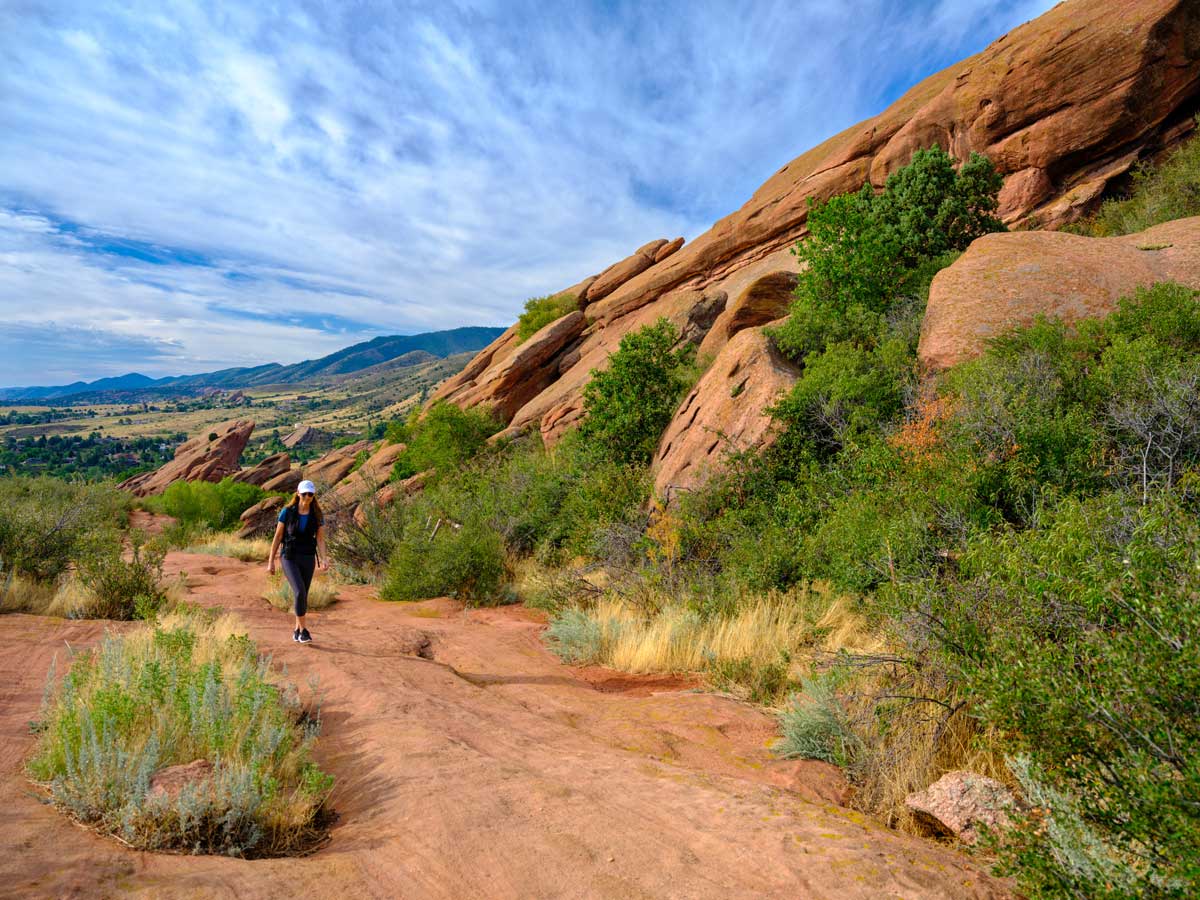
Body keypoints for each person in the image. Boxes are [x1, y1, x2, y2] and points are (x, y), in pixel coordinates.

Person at [267, 480, 328, 643]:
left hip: (308, 557)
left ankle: (296, 630)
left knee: (302, 595)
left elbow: (320, 539)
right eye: (304, 494)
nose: (307, 497)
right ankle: (304, 631)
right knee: (300, 591)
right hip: (289, 557)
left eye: (311, 494)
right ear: (298, 493)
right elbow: (278, 537)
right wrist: (271, 561)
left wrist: (324, 559)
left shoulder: (317, 515)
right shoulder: (287, 512)